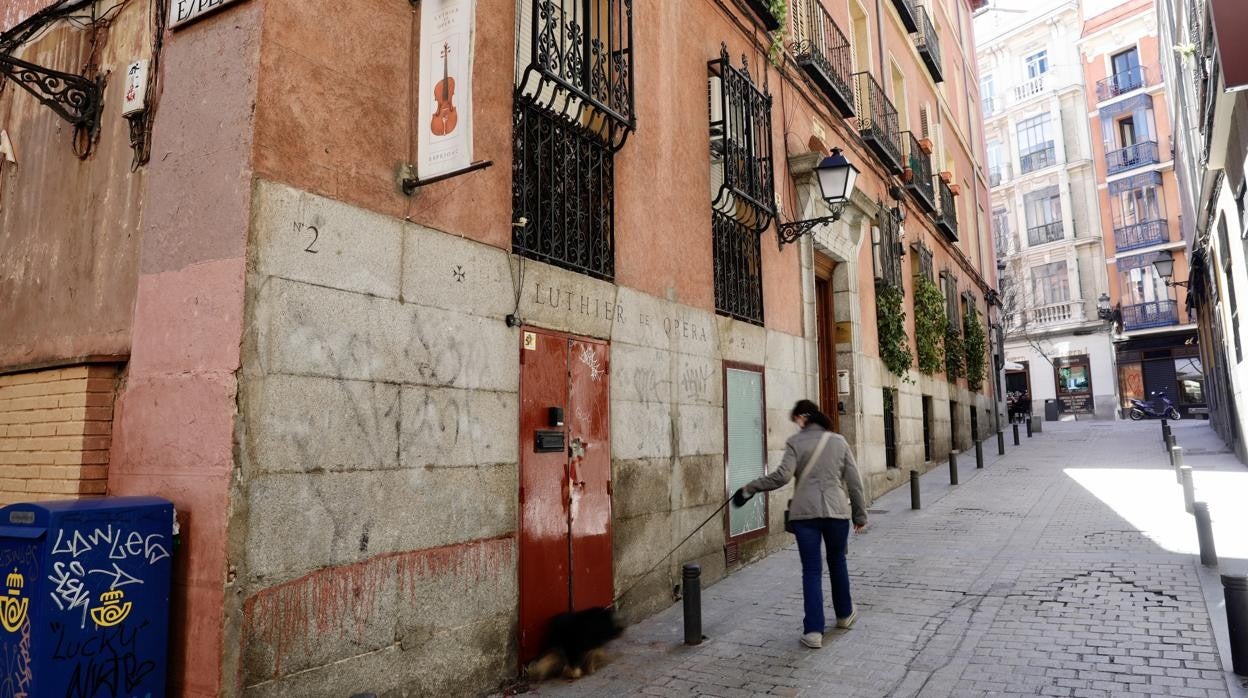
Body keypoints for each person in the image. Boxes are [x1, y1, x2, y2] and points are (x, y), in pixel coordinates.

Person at [733, 399, 867, 649]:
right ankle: (844, 614)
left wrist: (750, 487)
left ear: (803, 417)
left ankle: (814, 632)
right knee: (837, 561)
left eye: (796, 420)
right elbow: (854, 481)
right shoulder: (839, 441)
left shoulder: (795, 443)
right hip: (837, 513)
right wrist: (860, 516)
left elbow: (782, 477)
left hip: (805, 516)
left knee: (812, 570)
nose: (796, 425)